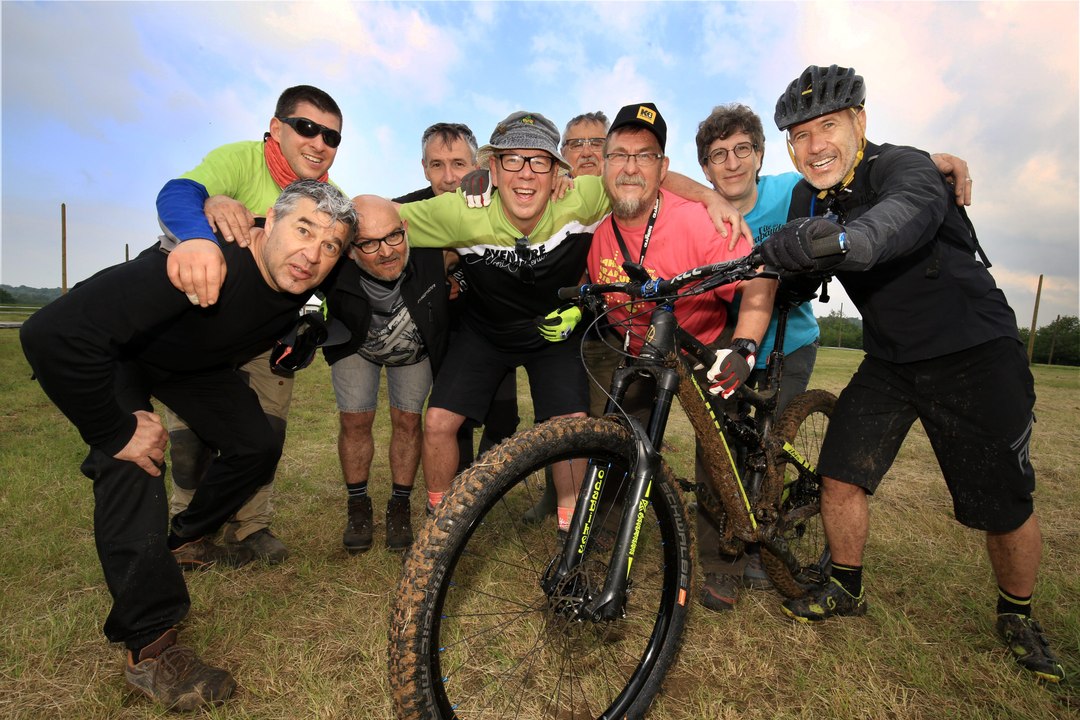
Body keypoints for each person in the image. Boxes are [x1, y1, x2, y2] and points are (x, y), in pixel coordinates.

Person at [758, 64, 1064, 683]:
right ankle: (846, 586)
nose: (813, 146)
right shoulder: (804, 195)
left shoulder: (908, 167)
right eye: (798, 135)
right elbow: (797, 264)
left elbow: (901, 217)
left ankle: (1017, 615)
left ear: (860, 122)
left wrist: (842, 242)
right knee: (841, 474)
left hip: (974, 349)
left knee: (1000, 502)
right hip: (892, 358)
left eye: (827, 127)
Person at [20, 180, 356, 710]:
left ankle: (185, 539)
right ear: (268, 220)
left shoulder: (302, 288)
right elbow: (49, 333)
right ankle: (151, 648)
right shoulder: (208, 261)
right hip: (119, 356)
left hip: (185, 368)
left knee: (255, 443)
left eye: (331, 245)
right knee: (137, 460)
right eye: (303, 229)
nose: (312, 254)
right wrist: (116, 431)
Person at [692, 105, 975, 612]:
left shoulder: (791, 190)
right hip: (730, 337)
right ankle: (722, 562)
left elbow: (850, 172)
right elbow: (654, 175)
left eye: (742, 151)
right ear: (706, 168)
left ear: (760, 156)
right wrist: (702, 196)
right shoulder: (700, 208)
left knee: (771, 445)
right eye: (717, 156)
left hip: (792, 338)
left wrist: (930, 163)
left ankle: (768, 545)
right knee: (718, 446)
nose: (731, 164)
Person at [157, 84, 344, 563]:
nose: (319, 143)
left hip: (271, 333)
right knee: (190, 438)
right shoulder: (240, 160)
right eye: (307, 128)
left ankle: (251, 527)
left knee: (266, 432)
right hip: (209, 318)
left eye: (331, 136)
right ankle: (188, 529)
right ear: (276, 128)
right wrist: (203, 222)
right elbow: (176, 194)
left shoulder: (329, 198)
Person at [324, 195, 452, 553]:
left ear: (406, 229)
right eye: (368, 243)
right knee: (355, 422)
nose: (385, 251)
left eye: (393, 237)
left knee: (408, 422)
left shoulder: (430, 253)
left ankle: (400, 505)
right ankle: (358, 505)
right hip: (356, 347)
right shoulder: (331, 264)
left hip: (414, 352)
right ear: (350, 249)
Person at [394, 122, 521, 475]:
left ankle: (486, 480)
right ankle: (456, 494)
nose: (448, 177)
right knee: (451, 417)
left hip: (489, 326)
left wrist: (460, 279)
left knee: (504, 416)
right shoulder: (407, 210)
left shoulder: (497, 203)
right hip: (435, 332)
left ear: (478, 166)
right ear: (424, 168)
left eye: (458, 164)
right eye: (437, 165)